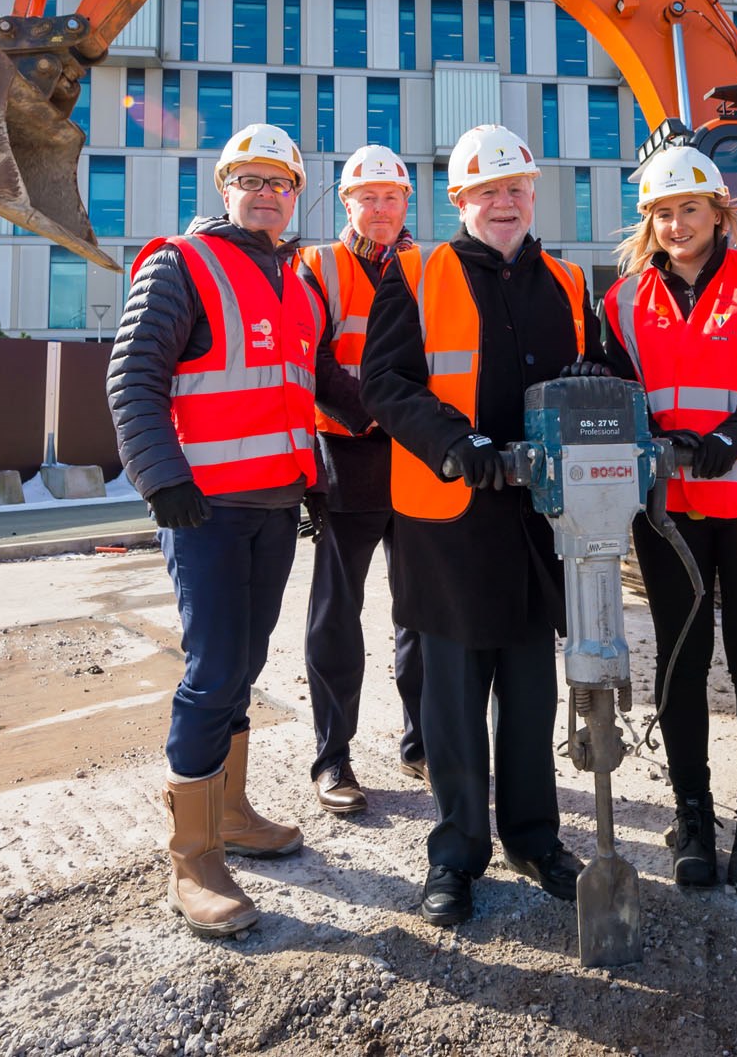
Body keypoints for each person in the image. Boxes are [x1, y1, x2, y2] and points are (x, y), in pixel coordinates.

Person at [362, 123, 600, 927]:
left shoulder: (567, 284)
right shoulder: (416, 271)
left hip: (537, 520)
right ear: (459, 198)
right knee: (456, 702)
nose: (504, 202)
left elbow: (591, 382)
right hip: (451, 518)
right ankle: (457, 853)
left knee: (531, 691)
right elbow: (385, 384)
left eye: (517, 189)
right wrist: (459, 446)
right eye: (487, 191)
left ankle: (534, 839)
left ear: (533, 194)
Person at [108, 122, 329, 938]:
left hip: (274, 507)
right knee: (210, 672)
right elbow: (132, 373)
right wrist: (161, 480)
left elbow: (308, 388)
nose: (265, 192)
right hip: (204, 509)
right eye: (250, 179)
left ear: (294, 195)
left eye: (280, 181)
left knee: (245, 662)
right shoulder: (181, 264)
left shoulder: (296, 283)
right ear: (224, 188)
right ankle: (193, 857)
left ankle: (232, 810)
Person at [598, 146, 737, 893]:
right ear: (648, 222)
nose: (676, 223)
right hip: (669, 510)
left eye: (690, 208)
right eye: (661, 212)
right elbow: (621, 398)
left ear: (719, 211)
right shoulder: (620, 302)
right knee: (682, 661)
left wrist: (727, 438)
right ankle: (692, 814)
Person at [295, 145, 426, 814]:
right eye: (366, 196)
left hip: (416, 462)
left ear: (407, 203)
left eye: (391, 196)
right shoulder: (318, 265)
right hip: (347, 457)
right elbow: (311, 356)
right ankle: (333, 757)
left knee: (422, 610)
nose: (379, 207)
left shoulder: (432, 269)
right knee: (336, 614)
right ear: (346, 202)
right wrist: (382, 414)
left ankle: (422, 741)